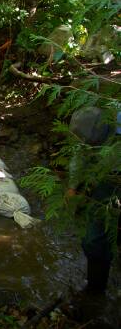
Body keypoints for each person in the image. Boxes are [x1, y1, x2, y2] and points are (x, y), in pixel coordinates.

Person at [66, 106, 120, 295]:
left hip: (115, 173)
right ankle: (96, 286)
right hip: (104, 175)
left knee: (95, 239)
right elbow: (79, 156)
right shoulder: (89, 127)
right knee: (93, 238)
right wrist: (73, 186)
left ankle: (96, 288)